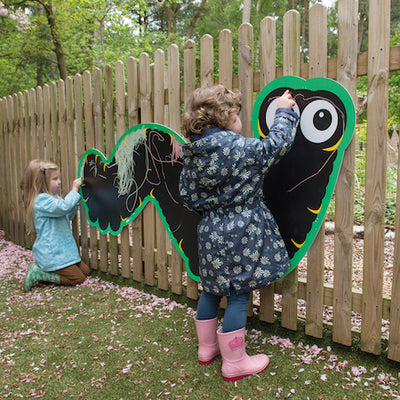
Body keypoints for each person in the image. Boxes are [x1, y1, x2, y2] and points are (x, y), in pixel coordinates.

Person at [179, 85, 299, 382]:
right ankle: (234, 362)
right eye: (236, 115)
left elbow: (186, 194)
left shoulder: (192, 153)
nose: (240, 121)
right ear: (226, 117)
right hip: (241, 229)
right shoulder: (241, 148)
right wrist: (284, 112)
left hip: (210, 230)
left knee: (210, 288)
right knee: (236, 294)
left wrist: (212, 208)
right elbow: (277, 144)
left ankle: (207, 349)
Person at [21, 159, 90, 291]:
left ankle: (49, 271)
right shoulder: (41, 201)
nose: (59, 181)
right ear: (42, 182)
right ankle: (39, 273)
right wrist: (74, 190)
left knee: (86, 271)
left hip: (63, 251)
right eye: (55, 178)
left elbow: (66, 215)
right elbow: (64, 208)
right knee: (78, 278)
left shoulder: (53, 198)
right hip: (53, 253)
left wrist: (74, 204)